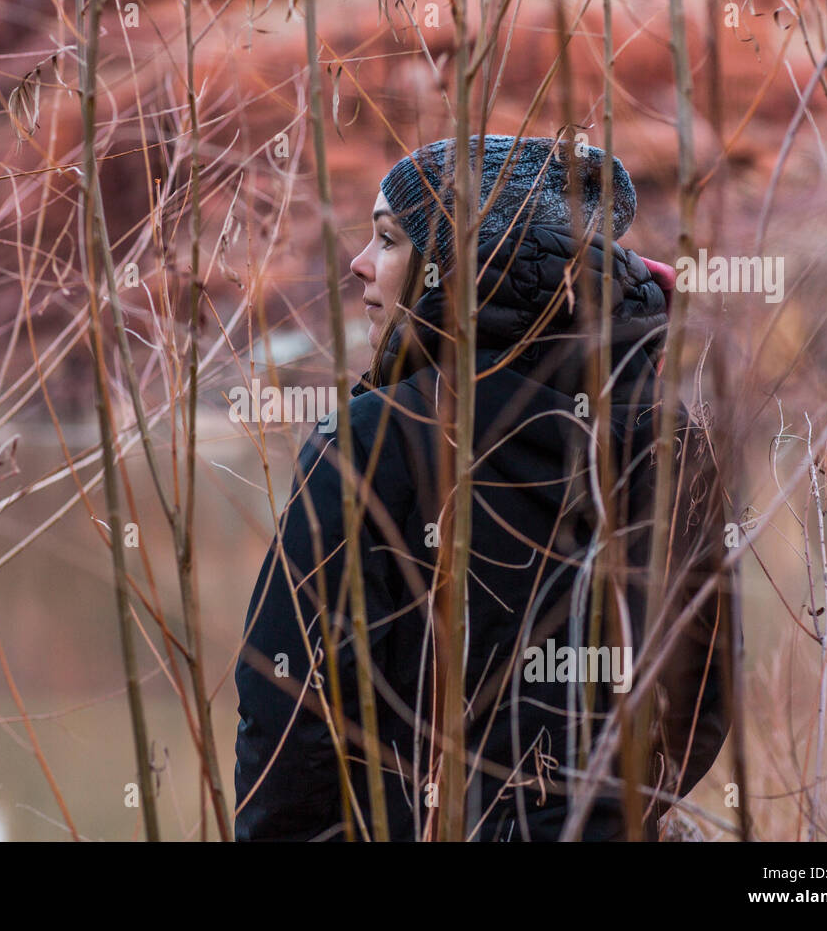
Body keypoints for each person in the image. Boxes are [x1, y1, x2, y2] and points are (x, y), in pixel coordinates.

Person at [233, 134, 737, 841]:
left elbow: (289, 712)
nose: (358, 265)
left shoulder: (373, 439)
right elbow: (702, 692)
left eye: (388, 240)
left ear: (458, 265)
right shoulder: (670, 436)